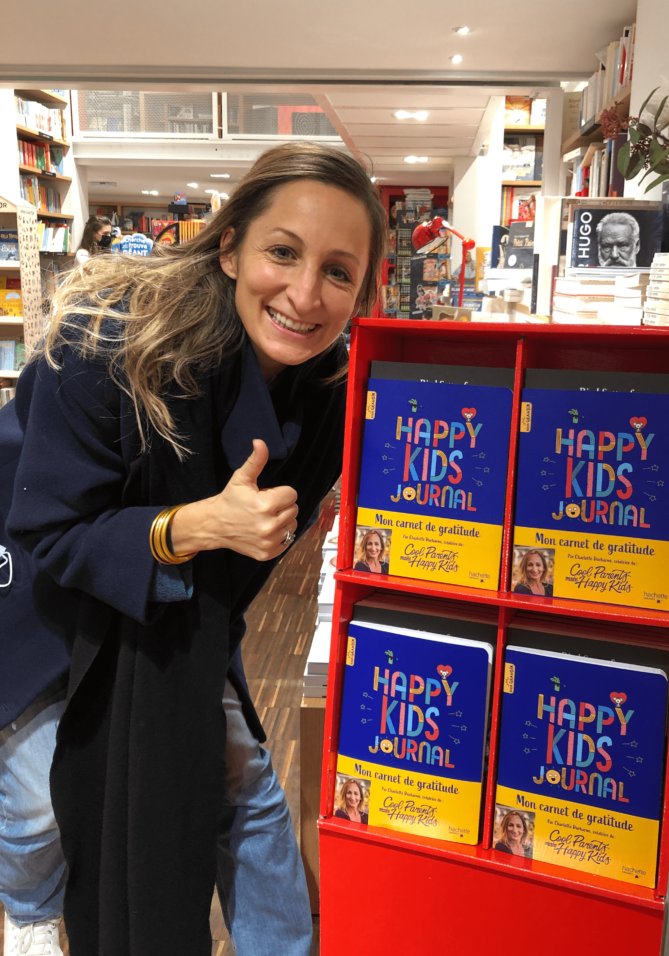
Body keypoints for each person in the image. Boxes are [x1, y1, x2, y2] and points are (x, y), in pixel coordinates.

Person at [0, 141, 385, 956]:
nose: (305, 294)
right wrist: (194, 526)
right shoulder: (106, 344)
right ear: (231, 247)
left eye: (338, 271)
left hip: (180, 609)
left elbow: (247, 562)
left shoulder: (326, 391)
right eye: (283, 252)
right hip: (44, 601)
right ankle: (29, 923)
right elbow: (51, 530)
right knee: (38, 802)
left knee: (242, 786)